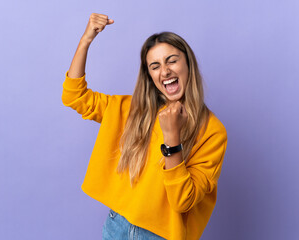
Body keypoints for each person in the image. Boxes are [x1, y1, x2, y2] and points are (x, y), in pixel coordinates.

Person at [62, 13, 227, 240]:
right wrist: (85, 40)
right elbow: (74, 97)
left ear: (188, 63)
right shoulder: (130, 109)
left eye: (172, 60)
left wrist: (172, 139)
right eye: (155, 66)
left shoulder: (213, 131)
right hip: (116, 227)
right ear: (150, 76)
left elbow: (183, 201)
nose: (165, 71)